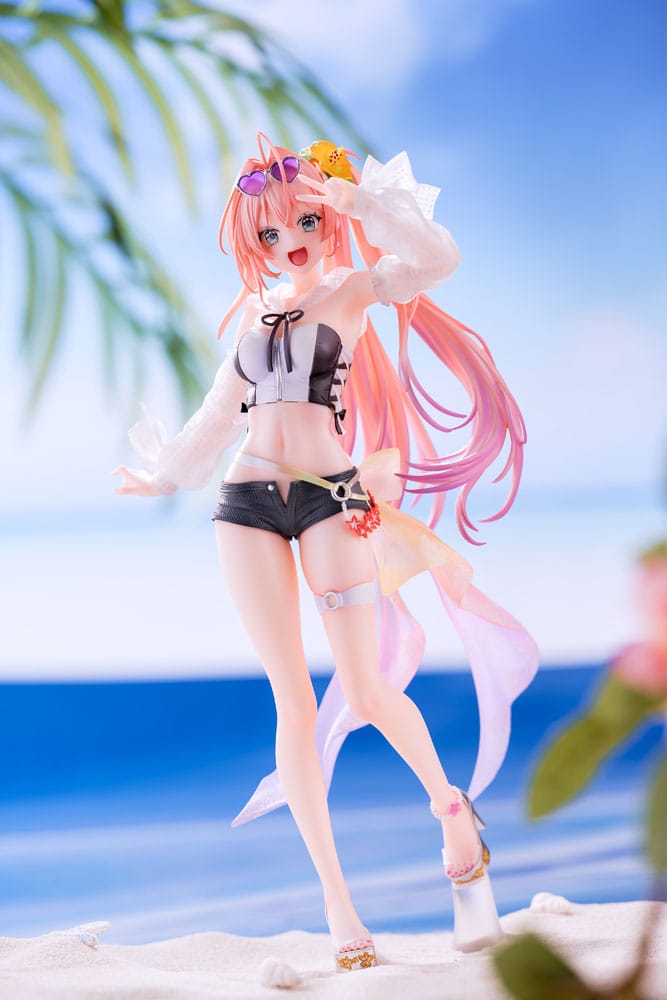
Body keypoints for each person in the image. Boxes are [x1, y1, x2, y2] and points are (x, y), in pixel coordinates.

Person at [114, 134, 538, 971]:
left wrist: (360, 204)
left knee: (368, 688)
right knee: (292, 704)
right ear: (252, 242)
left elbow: (436, 260)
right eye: (269, 233)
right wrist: (163, 475)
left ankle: (449, 807)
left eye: (303, 222)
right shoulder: (254, 316)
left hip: (329, 498)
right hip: (244, 503)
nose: (290, 242)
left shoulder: (353, 288)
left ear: (326, 217)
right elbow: (216, 417)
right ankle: (338, 905)